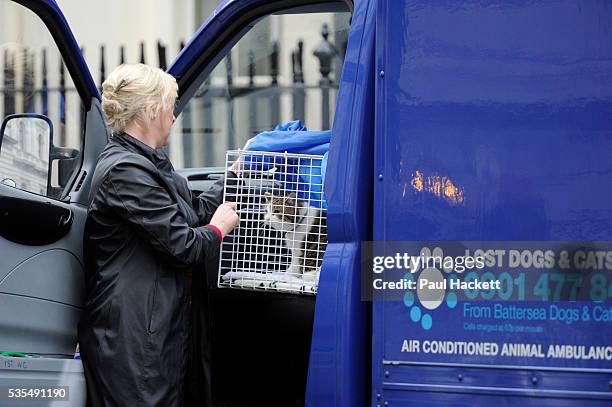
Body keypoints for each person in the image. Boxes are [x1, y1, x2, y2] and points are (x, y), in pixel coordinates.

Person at [77, 63, 240, 406]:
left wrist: (234, 176)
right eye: (170, 107)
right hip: (133, 337)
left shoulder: (148, 163)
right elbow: (182, 244)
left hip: (154, 329)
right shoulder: (125, 170)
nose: (174, 117)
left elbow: (190, 211)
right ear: (151, 111)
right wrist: (218, 229)